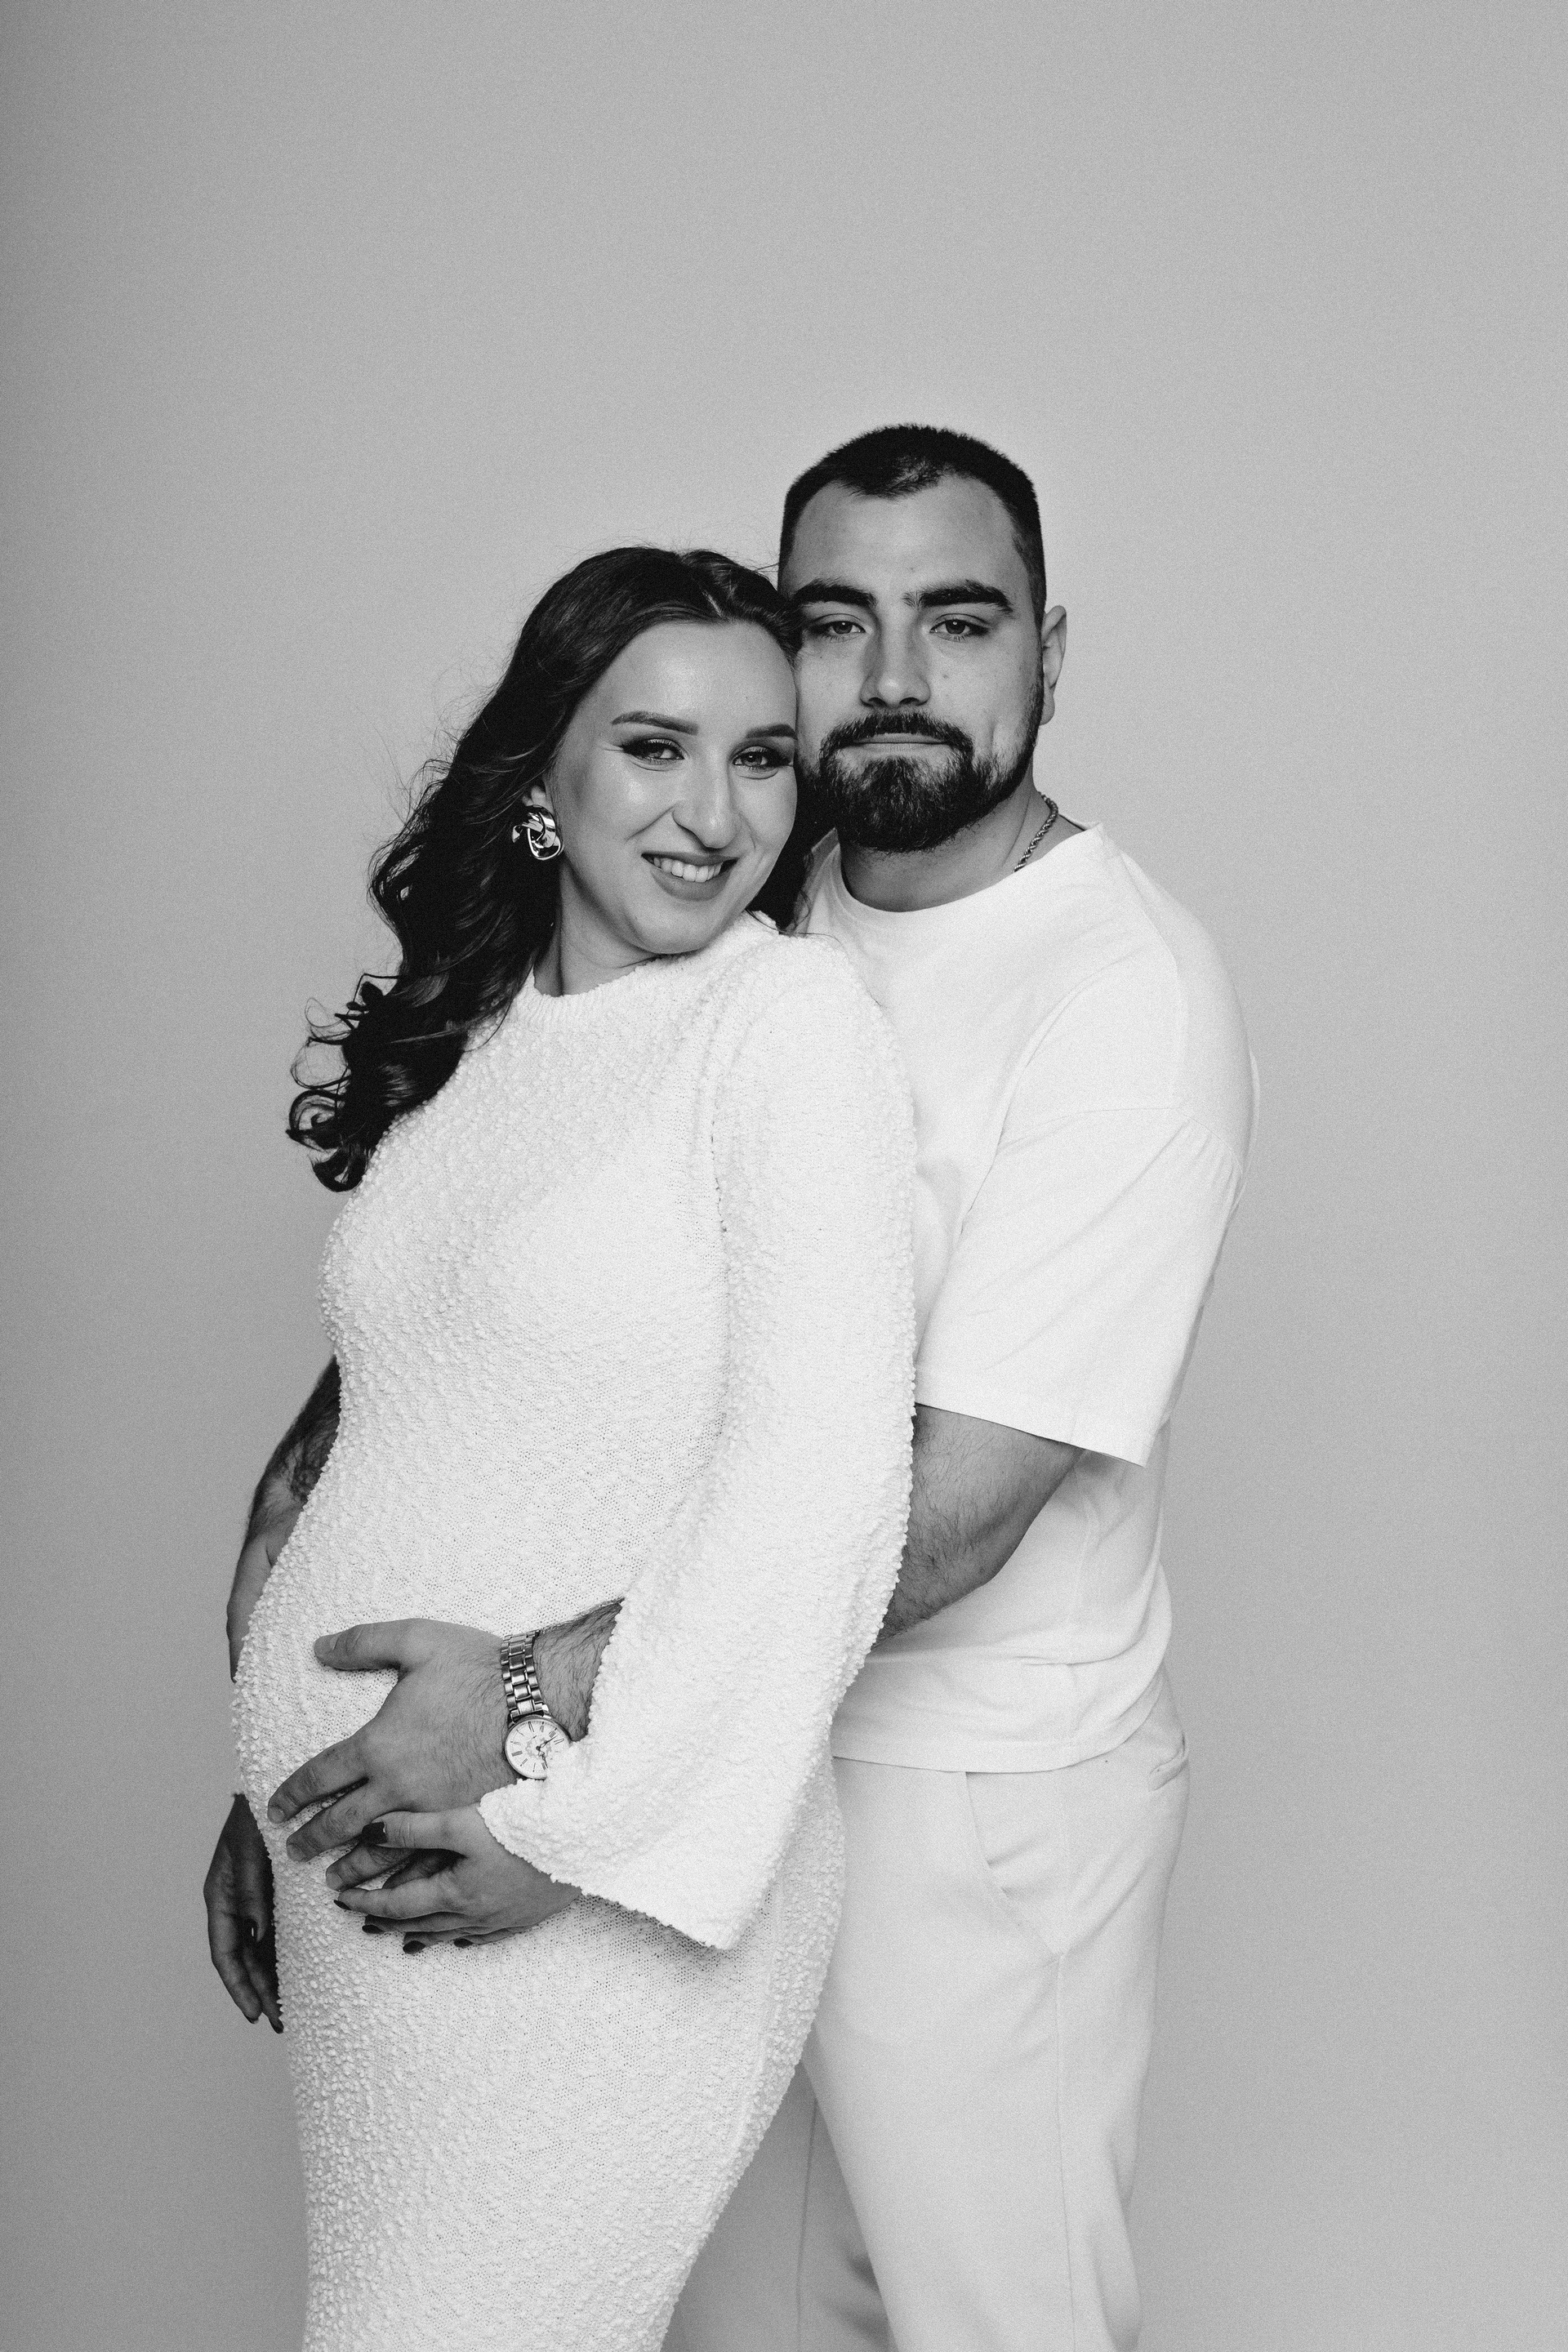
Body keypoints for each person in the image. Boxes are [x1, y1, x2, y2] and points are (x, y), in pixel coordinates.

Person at [220, 425, 1255, 2352]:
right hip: (732, 1767)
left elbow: (929, 1506)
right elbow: (446, 1339)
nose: (893, 677)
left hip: (969, 1788)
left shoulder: (1118, 995)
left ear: (1049, 649)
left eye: (960, 620)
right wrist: (288, 1758)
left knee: (989, 2323)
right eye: (837, 623)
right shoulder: (761, 906)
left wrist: (522, 1719)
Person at [207, 546, 916, 2352]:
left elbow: (821, 1492)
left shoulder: (784, 1028)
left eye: (763, 760)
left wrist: (576, 1826)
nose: (714, 814)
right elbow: (394, 1422)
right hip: (379, 1865)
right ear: (545, 774)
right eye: (656, 747)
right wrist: (265, 1787)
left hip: (576, 1859)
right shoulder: (477, 1043)